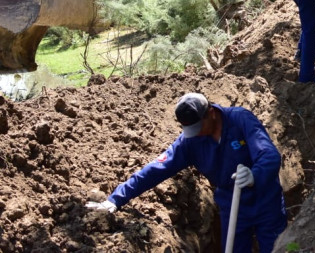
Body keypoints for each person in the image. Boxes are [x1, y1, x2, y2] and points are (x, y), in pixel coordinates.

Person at [85, 92, 287, 253]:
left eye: (198, 127)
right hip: (231, 203)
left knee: (276, 248)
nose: (196, 133)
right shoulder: (190, 142)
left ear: (211, 113)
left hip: (265, 201)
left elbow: (269, 154)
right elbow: (156, 169)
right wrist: (116, 199)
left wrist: (254, 175)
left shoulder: (240, 119)